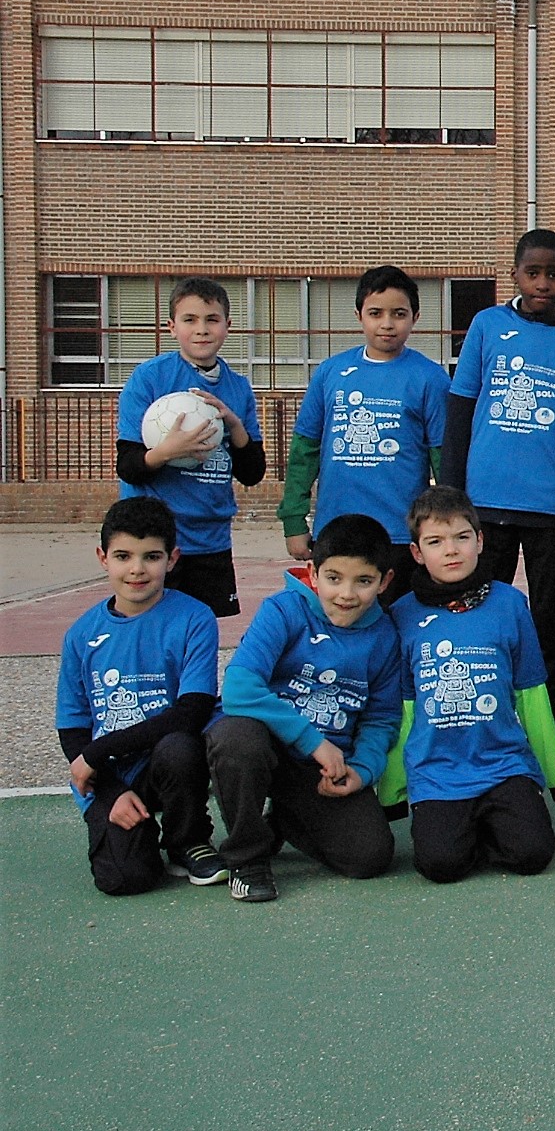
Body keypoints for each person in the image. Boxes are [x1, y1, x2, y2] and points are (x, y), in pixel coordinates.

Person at [440, 229, 555, 703]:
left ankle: (545, 719)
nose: (542, 283)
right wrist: (453, 496)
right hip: (484, 505)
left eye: (553, 274)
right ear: (514, 274)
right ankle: (482, 708)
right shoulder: (487, 326)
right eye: (533, 273)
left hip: (551, 510)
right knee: (480, 612)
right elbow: (460, 412)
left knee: (551, 621)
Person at [206, 513, 404, 902]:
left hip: (318, 766)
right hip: (266, 745)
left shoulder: (384, 638)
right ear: (313, 573)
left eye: (363, 581)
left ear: (384, 581)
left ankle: (284, 817)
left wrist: (362, 771)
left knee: (370, 856)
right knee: (236, 738)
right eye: (334, 578)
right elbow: (240, 688)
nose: (346, 594)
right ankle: (247, 859)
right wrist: (314, 742)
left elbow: (381, 719)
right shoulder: (283, 610)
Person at [391, 486, 555, 884]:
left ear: (480, 541)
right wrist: (394, 791)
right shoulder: (401, 614)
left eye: (462, 537)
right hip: (438, 772)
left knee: (533, 855)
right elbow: (403, 707)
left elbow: (532, 693)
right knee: (440, 865)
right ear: (417, 552)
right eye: (435, 541)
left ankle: (496, 821)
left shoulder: (510, 603)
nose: (451, 550)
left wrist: (554, 776)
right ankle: (462, 827)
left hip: (503, 765)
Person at [56, 497, 223, 895]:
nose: (137, 569)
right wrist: (111, 789)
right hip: (111, 776)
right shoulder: (81, 635)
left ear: (172, 558)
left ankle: (188, 840)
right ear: (102, 557)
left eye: (151, 556)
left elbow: (191, 712)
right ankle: (139, 831)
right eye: (123, 556)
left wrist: (96, 753)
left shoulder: (194, 618)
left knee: (181, 746)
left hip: (165, 762)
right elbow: (73, 727)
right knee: (127, 879)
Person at [281, 265, 447, 604]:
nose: (387, 323)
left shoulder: (431, 378)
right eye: (376, 313)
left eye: (398, 314)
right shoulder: (330, 373)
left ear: (415, 317)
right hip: (336, 529)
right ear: (359, 315)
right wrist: (294, 521)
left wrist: (441, 528)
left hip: (399, 535)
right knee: (340, 620)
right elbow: (304, 452)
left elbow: (443, 461)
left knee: (397, 625)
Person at [114, 276, 267, 617]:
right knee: (151, 631)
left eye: (211, 320)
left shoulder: (237, 388)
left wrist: (233, 424)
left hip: (211, 537)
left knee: (201, 636)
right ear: (171, 327)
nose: (202, 330)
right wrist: (169, 451)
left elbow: (253, 472)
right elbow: (128, 465)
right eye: (190, 320)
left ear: (227, 326)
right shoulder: (150, 378)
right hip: (156, 539)